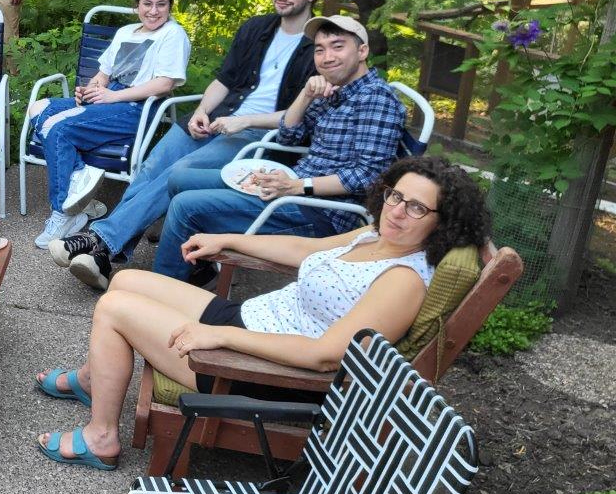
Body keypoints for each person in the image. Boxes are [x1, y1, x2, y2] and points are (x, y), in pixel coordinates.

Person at [31, 156, 492, 470]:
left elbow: (328, 356)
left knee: (112, 307)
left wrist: (222, 339)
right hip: (253, 320)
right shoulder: (376, 237)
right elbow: (303, 249)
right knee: (127, 280)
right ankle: (96, 381)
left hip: (261, 368)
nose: (397, 210)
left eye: (416, 207)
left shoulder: (403, 280)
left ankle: (101, 438)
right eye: (395, 195)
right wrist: (228, 241)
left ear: (442, 221)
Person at [50, 0, 323, 283]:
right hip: (216, 119)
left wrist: (245, 121)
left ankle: (100, 240)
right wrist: (202, 110)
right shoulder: (257, 29)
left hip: (257, 135)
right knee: (151, 167)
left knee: (181, 171)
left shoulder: (319, 47)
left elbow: (300, 116)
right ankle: (103, 255)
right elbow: (224, 81)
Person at [129, 15, 407, 291]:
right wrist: (306, 95)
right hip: (291, 190)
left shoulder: (376, 99)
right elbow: (289, 135)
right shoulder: (335, 92)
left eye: (337, 46)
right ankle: (196, 267)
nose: (326, 56)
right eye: (320, 49)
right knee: (180, 178)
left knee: (185, 206)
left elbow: (369, 176)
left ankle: (162, 292)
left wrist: (297, 186)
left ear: (362, 51)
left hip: (321, 214)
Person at [29, 0, 190, 249]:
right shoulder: (126, 33)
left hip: (136, 106)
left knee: (59, 130)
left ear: (170, 6)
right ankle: (80, 181)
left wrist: (112, 96)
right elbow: (103, 75)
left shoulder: (173, 35)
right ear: (136, 5)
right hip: (110, 97)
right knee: (38, 107)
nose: (153, 11)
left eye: (161, 5)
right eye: (147, 3)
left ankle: (64, 213)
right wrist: (89, 90)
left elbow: (164, 84)